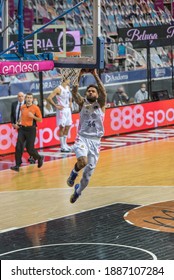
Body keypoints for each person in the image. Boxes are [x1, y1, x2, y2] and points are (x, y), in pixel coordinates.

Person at [67, 69, 107, 203]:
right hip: (82, 138)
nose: (90, 92)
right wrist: (79, 74)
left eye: (93, 91)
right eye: (88, 91)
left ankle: (78, 192)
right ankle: (73, 173)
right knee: (82, 162)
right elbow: (73, 92)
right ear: (86, 94)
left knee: (87, 177)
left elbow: (104, 92)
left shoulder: (100, 105)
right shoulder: (82, 103)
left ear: (97, 94)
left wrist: (95, 74)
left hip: (95, 142)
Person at [10, 92, 44, 172]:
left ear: (32, 99)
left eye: (30, 98)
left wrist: (33, 116)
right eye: (27, 97)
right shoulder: (23, 107)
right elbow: (21, 117)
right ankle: (17, 165)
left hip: (31, 130)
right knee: (18, 146)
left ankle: (39, 157)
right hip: (22, 129)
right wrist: (18, 123)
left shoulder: (35, 108)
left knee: (30, 149)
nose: (29, 99)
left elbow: (40, 120)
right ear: (26, 99)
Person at [47, 77, 72, 152]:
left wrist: (70, 102)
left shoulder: (68, 87)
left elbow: (70, 95)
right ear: (65, 80)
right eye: (69, 79)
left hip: (68, 109)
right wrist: (55, 105)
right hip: (61, 110)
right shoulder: (58, 89)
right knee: (62, 127)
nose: (70, 81)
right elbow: (49, 98)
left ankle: (65, 143)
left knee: (68, 126)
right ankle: (62, 146)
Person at [11, 92, 36, 164]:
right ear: (17, 97)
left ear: (24, 97)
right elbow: (12, 115)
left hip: (27, 127)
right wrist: (13, 124)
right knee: (20, 144)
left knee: (28, 144)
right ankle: (19, 159)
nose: (20, 97)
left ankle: (32, 157)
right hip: (19, 127)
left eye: (22, 96)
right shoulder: (14, 104)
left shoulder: (29, 104)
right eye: (19, 96)